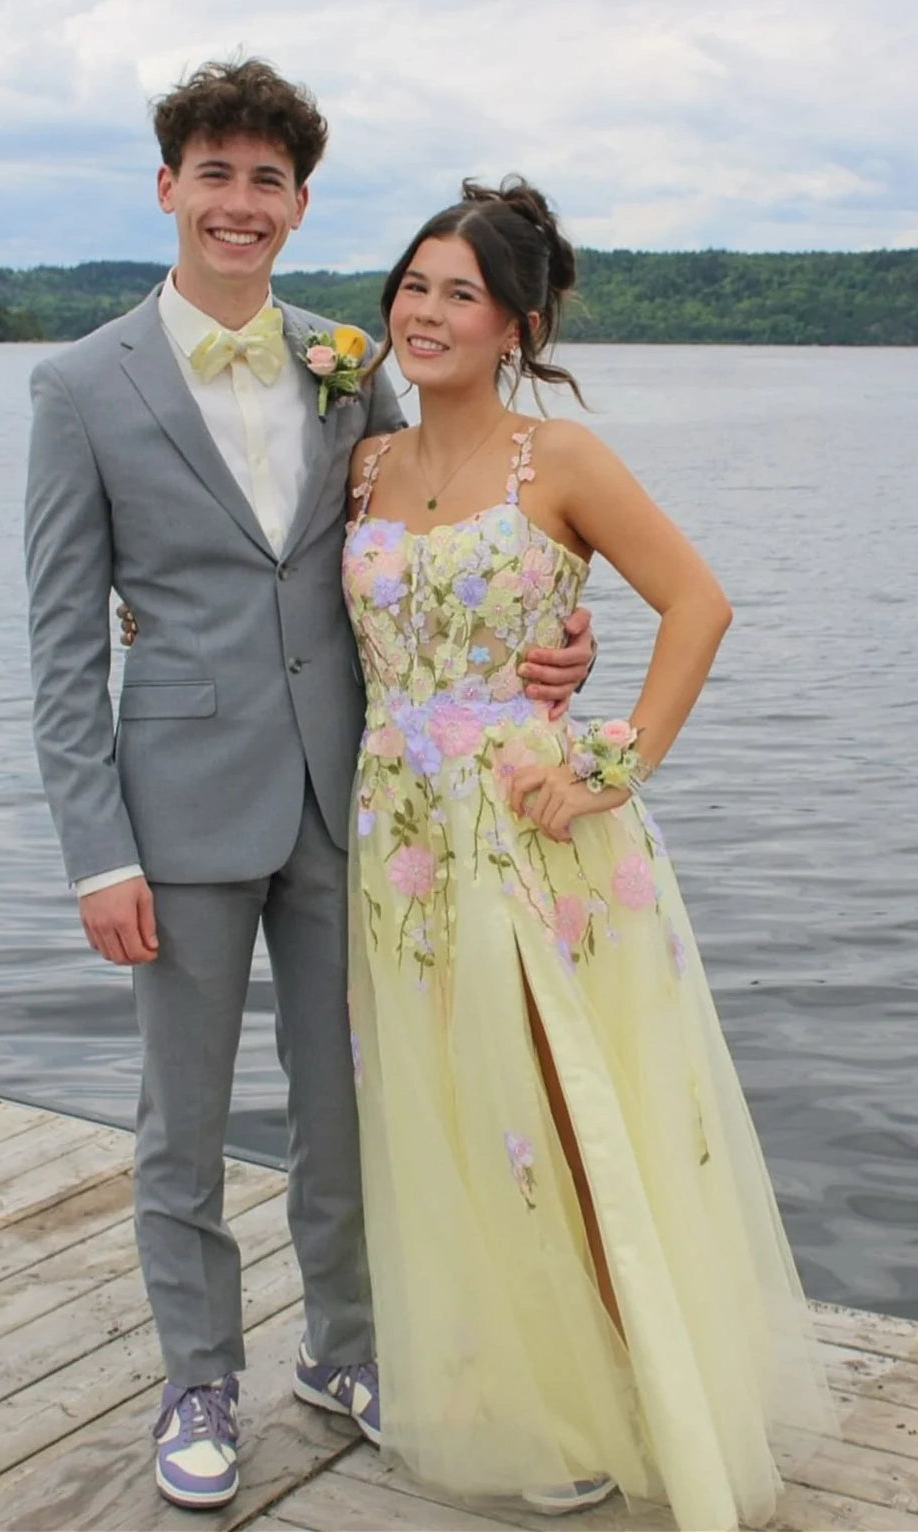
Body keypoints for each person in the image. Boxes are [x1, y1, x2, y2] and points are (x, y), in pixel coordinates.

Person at [23, 61, 594, 1510]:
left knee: (347, 1104)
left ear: (297, 204)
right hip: (177, 811)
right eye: (214, 174)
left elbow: (426, 525)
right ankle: (199, 1378)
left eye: (266, 180)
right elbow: (61, 643)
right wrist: (98, 852)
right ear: (169, 188)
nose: (239, 202)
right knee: (185, 1120)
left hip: (356, 799)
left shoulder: (345, 360)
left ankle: (346, 1351)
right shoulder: (80, 385)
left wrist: (556, 633)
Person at [341, 178, 837, 1528]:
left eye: (460, 294)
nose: (426, 312)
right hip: (399, 840)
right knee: (459, 1110)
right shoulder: (363, 464)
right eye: (413, 286)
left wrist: (608, 765)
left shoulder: (554, 460)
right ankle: (530, 1396)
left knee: (569, 1110)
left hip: (528, 829)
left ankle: (644, 1392)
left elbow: (697, 604)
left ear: (515, 324)